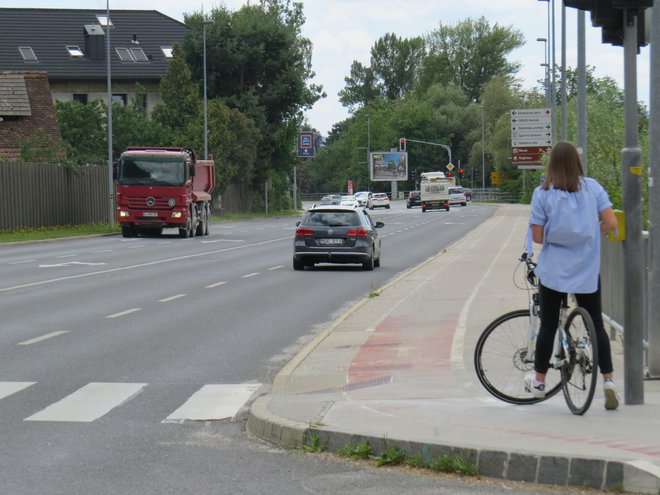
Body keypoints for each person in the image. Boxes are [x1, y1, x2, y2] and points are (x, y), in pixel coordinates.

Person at [524, 141, 620, 410]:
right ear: (577, 164)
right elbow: (611, 223)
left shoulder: (542, 194)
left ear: (551, 164)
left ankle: (540, 380)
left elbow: (538, 236)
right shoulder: (593, 188)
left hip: (555, 269)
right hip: (586, 268)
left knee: (548, 325)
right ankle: (609, 381)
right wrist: (590, 231)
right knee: (596, 325)